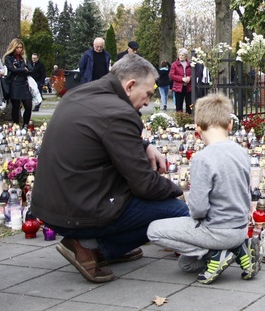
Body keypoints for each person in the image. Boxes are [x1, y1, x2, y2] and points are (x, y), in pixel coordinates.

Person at [31, 54, 189, 283]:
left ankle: (93, 245)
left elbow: (97, 132)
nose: (147, 102)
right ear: (130, 85)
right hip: (79, 209)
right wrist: (179, 191)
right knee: (177, 211)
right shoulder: (120, 113)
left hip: (53, 204)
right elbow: (144, 184)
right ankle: (94, 248)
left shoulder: (82, 92)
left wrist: (144, 146)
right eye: (147, 94)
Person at [147, 92, 258, 285]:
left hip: (217, 230)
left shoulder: (203, 158)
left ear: (198, 128)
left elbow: (198, 208)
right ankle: (237, 249)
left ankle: (216, 253)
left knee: (153, 230)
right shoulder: (242, 152)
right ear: (230, 124)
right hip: (240, 229)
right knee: (186, 265)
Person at [3, 38, 33, 127]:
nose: (19, 49)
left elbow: (31, 70)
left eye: (21, 47)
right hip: (14, 84)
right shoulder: (9, 58)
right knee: (16, 107)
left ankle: (26, 124)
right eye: (17, 48)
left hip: (24, 84)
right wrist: (23, 69)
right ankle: (16, 124)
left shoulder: (24, 58)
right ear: (13, 48)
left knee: (28, 106)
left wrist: (18, 69)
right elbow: (11, 69)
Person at [170, 48, 193, 114]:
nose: (181, 56)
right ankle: (179, 118)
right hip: (178, 87)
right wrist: (182, 78)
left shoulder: (190, 64)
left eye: (182, 55)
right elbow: (172, 75)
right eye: (180, 55)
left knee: (190, 104)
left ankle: (189, 116)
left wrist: (189, 77)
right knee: (179, 105)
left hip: (188, 87)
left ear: (186, 56)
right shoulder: (174, 64)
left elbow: (194, 74)